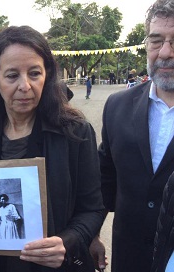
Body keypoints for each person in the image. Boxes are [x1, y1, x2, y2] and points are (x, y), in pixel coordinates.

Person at [0, 25, 104, 272]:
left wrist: (66, 242)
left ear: (47, 75)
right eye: (12, 76)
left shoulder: (75, 133)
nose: (25, 86)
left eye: (34, 73)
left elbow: (92, 209)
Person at [90, 1, 174, 271]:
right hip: (129, 259)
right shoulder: (117, 106)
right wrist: (91, 234)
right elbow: (105, 177)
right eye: (156, 41)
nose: (165, 52)